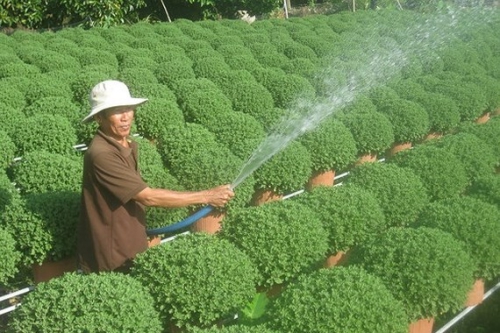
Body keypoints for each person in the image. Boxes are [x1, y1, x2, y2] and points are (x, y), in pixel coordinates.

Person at [77, 79, 234, 273]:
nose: (126, 117)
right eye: (117, 111)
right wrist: (208, 196)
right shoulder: (103, 155)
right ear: (100, 118)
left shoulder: (125, 143)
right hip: (114, 250)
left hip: (131, 237)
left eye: (128, 108)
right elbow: (147, 197)